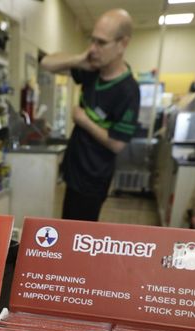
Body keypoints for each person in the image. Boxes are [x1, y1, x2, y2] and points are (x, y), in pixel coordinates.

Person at [41, 9, 140, 221]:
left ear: (122, 44)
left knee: (79, 235)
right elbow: (46, 63)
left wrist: (84, 121)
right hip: (74, 169)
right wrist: (78, 59)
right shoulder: (91, 69)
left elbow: (117, 144)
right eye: (92, 40)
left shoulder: (128, 90)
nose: (93, 49)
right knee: (66, 225)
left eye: (101, 43)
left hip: (94, 178)